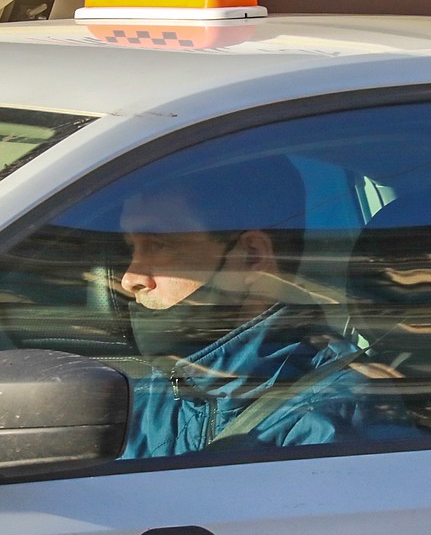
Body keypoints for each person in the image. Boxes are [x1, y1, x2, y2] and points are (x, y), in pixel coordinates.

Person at [117, 156, 406, 458]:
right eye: (131, 248)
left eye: (159, 245)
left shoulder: (334, 416)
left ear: (252, 256)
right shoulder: (148, 398)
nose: (129, 279)